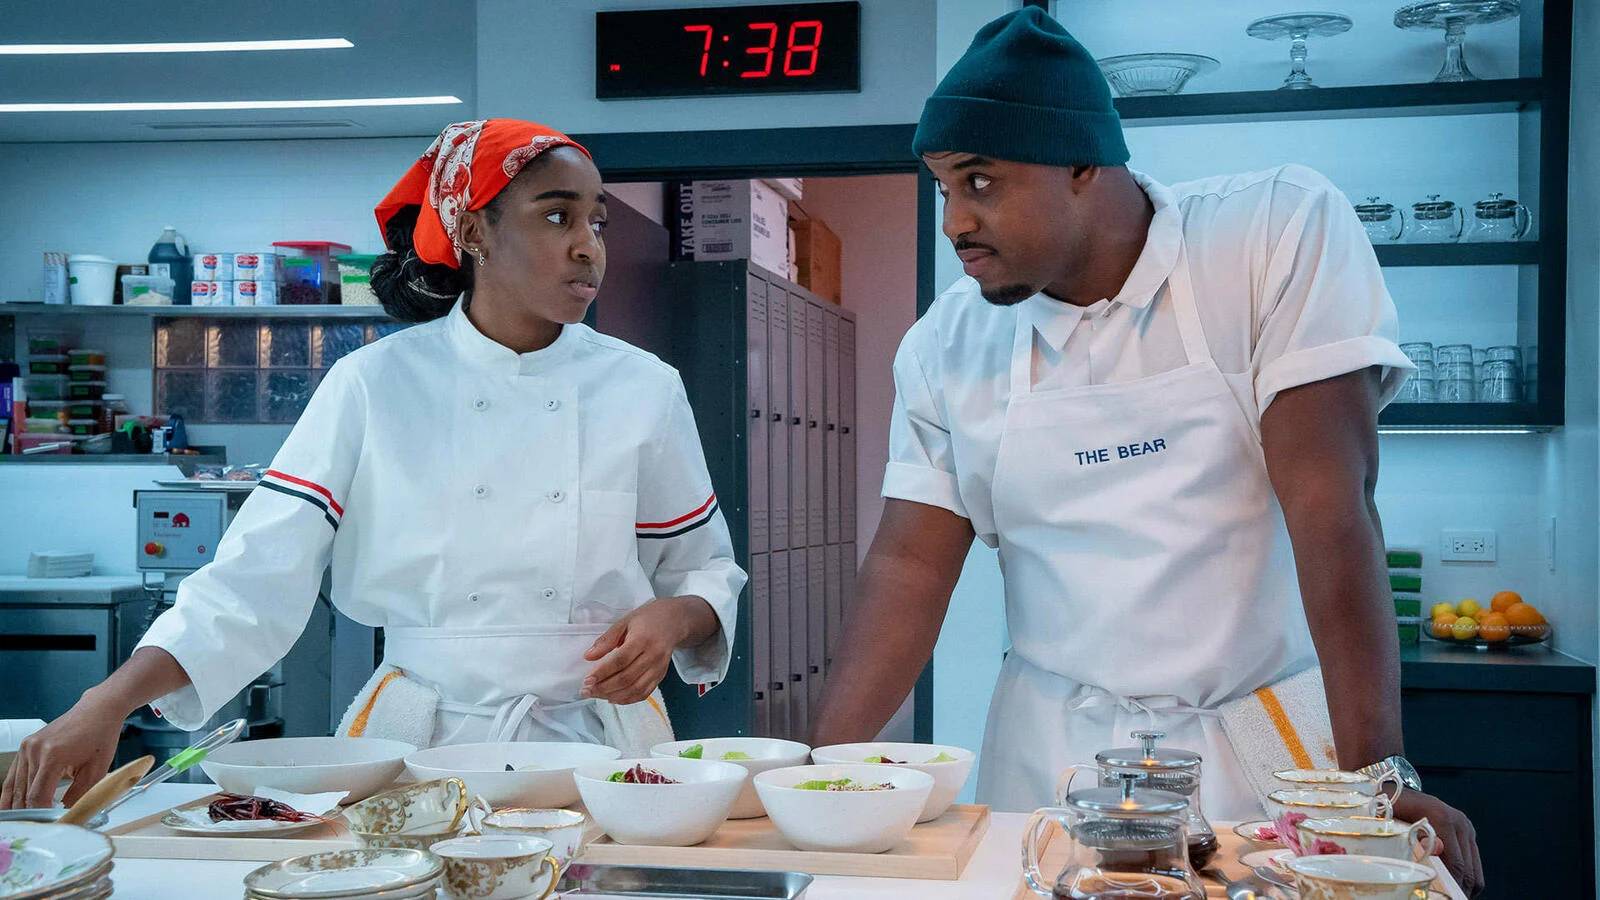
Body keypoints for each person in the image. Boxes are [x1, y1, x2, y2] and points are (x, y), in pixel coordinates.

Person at [811, 10, 1483, 895]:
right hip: (1052, 766)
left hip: (1261, 755)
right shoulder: (947, 345)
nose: (954, 223)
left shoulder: (1268, 237)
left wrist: (1377, 778)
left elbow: (1332, 504)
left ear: (1083, 163)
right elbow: (908, 567)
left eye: (979, 182)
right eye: (942, 188)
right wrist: (817, 782)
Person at [2, 118, 745, 811]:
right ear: (473, 231)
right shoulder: (373, 385)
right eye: (558, 216)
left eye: (597, 222)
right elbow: (254, 579)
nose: (588, 246)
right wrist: (106, 703)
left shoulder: (642, 386)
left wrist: (674, 618)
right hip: (418, 742)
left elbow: (702, 571)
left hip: (600, 745)